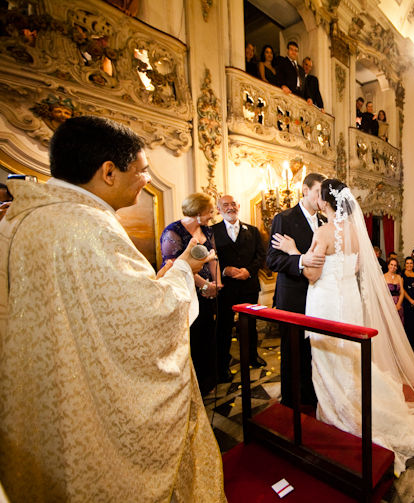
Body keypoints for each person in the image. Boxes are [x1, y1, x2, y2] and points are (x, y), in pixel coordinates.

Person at [0, 116, 224, 501]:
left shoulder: (24, 219)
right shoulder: (90, 228)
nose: (147, 180)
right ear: (108, 172)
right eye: (141, 170)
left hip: (41, 396)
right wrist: (185, 268)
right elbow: (148, 314)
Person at [283, 179, 414, 473]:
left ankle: (339, 417)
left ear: (324, 202)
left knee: (327, 359)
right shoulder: (355, 232)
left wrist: (292, 252)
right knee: (350, 358)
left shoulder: (323, 232)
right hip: (349, 305)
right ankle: (354, 405)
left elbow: (312, 276)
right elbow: (358, 270)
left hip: (325, 305)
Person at [266, 172, 326, 408]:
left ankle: (311, 396)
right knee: (292, 351)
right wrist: (301, 260)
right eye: (318, 192)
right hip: (293, 296)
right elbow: (272, 260)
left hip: (319, 295)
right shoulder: (285, 218)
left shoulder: (324, 222)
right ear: (304, 190)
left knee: (313, 350)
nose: (321, 199)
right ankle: (291, 403)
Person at [161, 192, 221, 396]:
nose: (212, 215)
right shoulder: (173, 232)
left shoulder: (207, 230)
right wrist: (204, 286)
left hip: (209, 292)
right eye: (209, 211)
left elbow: (213, 258)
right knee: (193, 338)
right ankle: (193, 387)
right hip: (185, 291)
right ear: (197, 212)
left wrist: (216, 283)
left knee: (208, 336)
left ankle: (209, 381)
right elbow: (177, 265)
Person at [212, 194, 267, 381]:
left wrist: (248, 271)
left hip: (248, 286)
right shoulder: (212, 231)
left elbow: (261, 256)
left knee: (250, 325)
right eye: (225, 205)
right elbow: (210, 258)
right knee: (224, 327)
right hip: (225, 288)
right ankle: (221, 365)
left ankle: (252, 356)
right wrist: (225, 270)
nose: (230, 207)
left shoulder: (252, 230)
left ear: (239, 206)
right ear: (218, 209)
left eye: (233, 204)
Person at [402, 256, 414, 348]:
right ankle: (408, 344)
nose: (409, 265)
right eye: (407, 263)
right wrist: (410, 300)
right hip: (407, 301)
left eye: (411, 263)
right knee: (408, 322)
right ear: (405, 264)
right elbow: (402, 290)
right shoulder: (402, 274)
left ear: (413, 265)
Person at [384, 257, 404, 323]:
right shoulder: (383, 277)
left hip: (398, 303)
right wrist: (391, 305)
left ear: (397, 267)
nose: (393, 266)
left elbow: (402, 292)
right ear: (388, 265)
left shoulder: (398, 277)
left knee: (398, 323)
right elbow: (382, 294)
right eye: (391, 264)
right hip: (387, 304)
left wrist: (398, 304)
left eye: (395, 265)